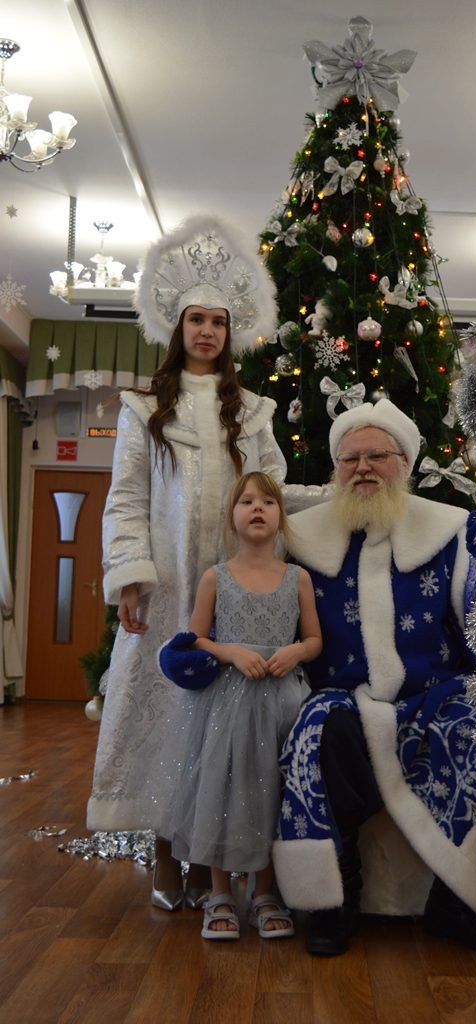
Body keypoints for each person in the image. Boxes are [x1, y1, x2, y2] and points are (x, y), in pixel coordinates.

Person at [271, 399, 476, 957]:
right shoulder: (299, 538)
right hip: (339, 696)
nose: (362, 468)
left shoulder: (450, 532)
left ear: (404, 462)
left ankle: (459, 904)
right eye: (349, 459)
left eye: (376, 456)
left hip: (435, 694)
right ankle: (333, 901)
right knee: (317, 735)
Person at [87, 215, 291, 911]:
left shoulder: (253, 413)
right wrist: (130, 577)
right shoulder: (143, 409)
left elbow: (271, 491)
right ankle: (165, 853)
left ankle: (214, 861)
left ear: (230, 333)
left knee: (222, 726)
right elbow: (125, 497)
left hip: (234, 592)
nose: (207, 331)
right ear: (178, 327)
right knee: (166, 718)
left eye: (218, 322)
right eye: (196, 320)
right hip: (168, 590)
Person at [157, 471, 322, 940]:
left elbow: (314, 639)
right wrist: (230, 651)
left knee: (272, 790)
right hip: (228, 702)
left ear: (280, 517)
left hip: (282, 701)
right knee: (224, 788)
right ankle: (220, 893)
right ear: (232, 517)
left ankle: (264, 894)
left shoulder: (298, 578)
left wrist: (295, 651)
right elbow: (194, 640)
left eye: (267, 502)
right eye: (247, 501)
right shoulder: (216, 577)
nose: (257, 509)